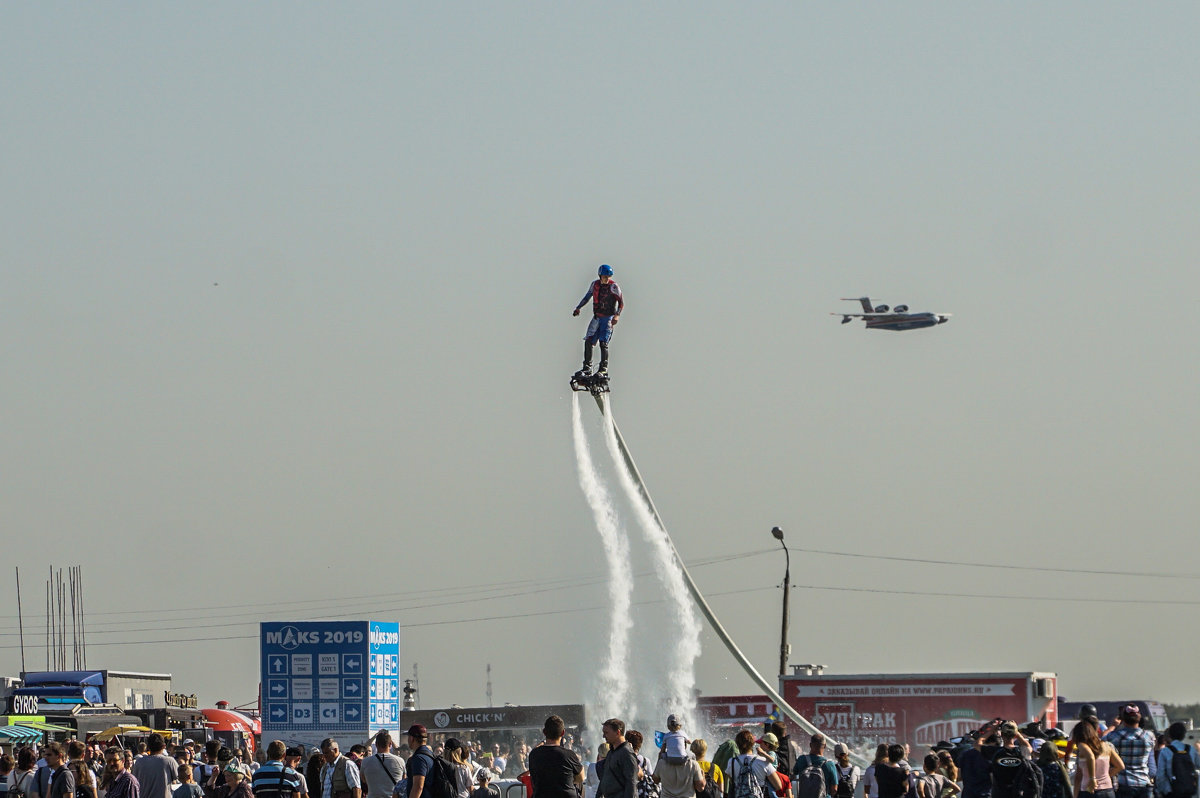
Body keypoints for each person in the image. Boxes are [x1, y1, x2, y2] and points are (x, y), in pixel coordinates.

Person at [571, 264, 624, 379]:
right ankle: (587, 368)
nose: (606, 279)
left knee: (603, 343)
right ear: (600, 276)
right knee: (588, 340)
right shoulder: (594, 285)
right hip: (597, 317)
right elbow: (587, 297)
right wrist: (578, 307)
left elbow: (621, 302)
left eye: (608, 277)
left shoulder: (614, 286)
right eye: (604, 277)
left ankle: (603, 369)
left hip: (608, 318)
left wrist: (617, 316)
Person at [1106, 706, 1157, 798]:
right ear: (1139, 718)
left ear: (1123, 719)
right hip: (1144, 784)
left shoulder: (1113, 737)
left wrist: (1113, 726)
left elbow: (1100, 742)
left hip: (1123, 784)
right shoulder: (1149, 736)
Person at [529, 716, 585, 798]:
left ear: (544, 732)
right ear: (563, 733)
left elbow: (533, 778)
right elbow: (581, 777)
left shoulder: (534, 754)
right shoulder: (569, 754)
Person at [1072, 720, 1124, 798]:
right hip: (1108, 790)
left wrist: (1092, 779)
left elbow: (1090, 758)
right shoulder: (1106, 746)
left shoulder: (1082, 745)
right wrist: (1106, 776)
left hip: (1089, 791)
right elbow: (1120, 766)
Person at [727, 729, 782, 796]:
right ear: (753, 743)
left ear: (737, 744)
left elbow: (731, 780)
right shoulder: (763, 761)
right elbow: (778, 786)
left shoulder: (731, 762)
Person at [1154, 723, 1199, 798]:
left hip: (1171, 792)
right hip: (1188, 791)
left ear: (1170, 734)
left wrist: (1162, 791)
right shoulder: (1191, 749)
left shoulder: (1165, 751)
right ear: (1184, 735)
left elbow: (1160, 775)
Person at [597, 719, 639, 798]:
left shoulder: (627, 754)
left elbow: (631, 783)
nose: (603, 736)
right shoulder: (611, 752)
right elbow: (604, 778)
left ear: (618, 732)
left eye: (606, 733)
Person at [359, 733, 404, 798]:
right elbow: (404, 780)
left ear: (376, 744)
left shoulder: (365, 762)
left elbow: (363, 779)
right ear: (390, 744)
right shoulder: (400, 761)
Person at [404, 726, 434, 798]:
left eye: (408, 737)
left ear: (412, 739)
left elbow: (418, 787)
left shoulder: (419, 758)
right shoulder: (430, 754)